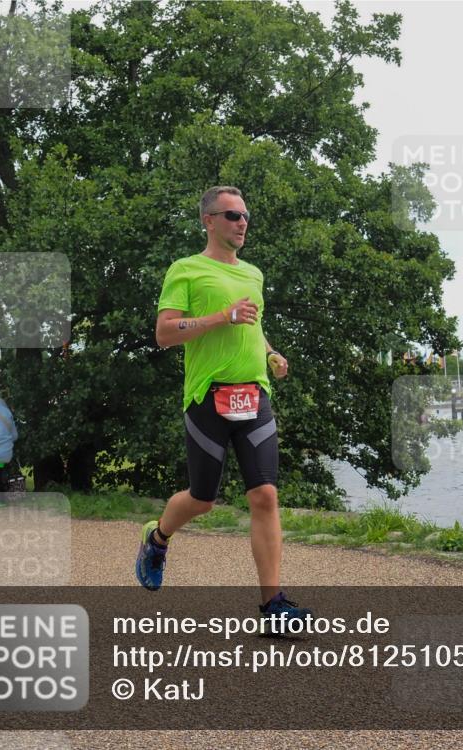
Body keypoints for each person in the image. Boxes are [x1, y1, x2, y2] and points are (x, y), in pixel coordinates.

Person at [138, 185, 309, 627]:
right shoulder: (186, 270)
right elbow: (165, 333)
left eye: (246, 215)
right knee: (202, 499)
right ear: (208, 220)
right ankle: (157, 538)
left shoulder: (253, 274)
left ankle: (274, 605)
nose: (242, 222)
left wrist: (270, 352)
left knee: (265, 495)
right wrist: (221, 317)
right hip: (207, 397)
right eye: (232, 215)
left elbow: (253, 325)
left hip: (254, 393)